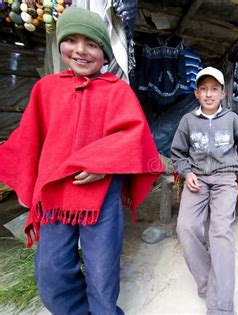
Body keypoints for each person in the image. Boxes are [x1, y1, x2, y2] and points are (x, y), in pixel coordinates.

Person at [0, 7, 164, 314]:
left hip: (101, 197)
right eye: (72, 40)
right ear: (60, 45)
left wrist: (102, 164)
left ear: (103, 52)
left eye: (91, 43)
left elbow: (135, 137)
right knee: (51, 273)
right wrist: (26, 179)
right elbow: (29, 140)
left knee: (103, 270)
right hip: (55, 195)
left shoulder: (118, 91)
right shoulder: (45, 90)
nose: (81, 50)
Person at [171, 67, 238, 315]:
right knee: (185, 227)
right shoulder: (188, 121)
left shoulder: (232, 119)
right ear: (196, 93)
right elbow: (177, 153)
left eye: (214, 89)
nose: (208, 94)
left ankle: (221, 306)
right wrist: (187, 172)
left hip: (225, 178)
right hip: (197, 180)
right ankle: (208, 282)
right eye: (203, 89)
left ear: (222, 93)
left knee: (220, 232)